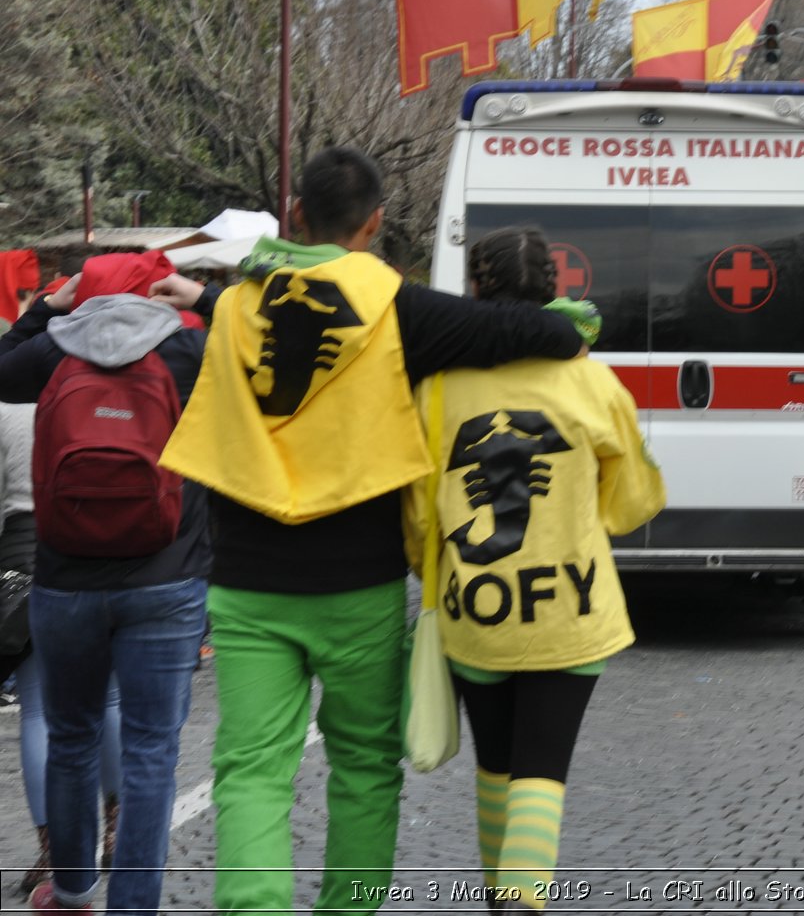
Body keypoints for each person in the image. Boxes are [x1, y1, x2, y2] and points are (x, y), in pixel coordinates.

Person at [153, 147, 595, 916]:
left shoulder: (232, 306)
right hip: (359, 582)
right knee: (363, 766)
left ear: (295, 214)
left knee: (251, 767)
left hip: (248, 581)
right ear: (376, 223)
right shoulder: (401, 308)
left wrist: (204, 290)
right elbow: (539, 334)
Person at [404, 226, 664, 910]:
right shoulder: (590, 378)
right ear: (556, 288)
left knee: (496, 766)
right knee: (541, 772)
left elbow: (420, 515)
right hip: (569, 610)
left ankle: (502, 900)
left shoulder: (436, 385)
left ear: (475, 289)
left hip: (475, 610)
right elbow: (632, 499)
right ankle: (522, 901)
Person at [0, 251, 212, 914]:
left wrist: (45, 309)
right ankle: (135, 905)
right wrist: (202, 298)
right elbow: (265, 343)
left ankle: (70, 892)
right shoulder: (188, 350)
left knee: (71, 737)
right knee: (151, 750)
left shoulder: (54, 352)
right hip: (166, 578)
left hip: (64, 579)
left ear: (82, 291)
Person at [3, 399, 125, 897]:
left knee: (39, 712)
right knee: (111, 698)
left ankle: (53, 851)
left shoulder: (6, 412)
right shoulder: (91, 395)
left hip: (23, 550)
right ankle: (118, 828)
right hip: (98, 541)